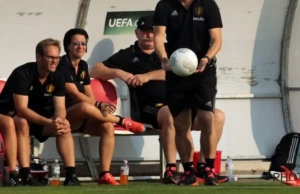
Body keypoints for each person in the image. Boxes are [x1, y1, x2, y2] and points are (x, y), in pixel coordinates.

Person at [90, 16, 226, 185]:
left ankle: (204, 167)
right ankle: (171, 168)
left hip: (180, 102)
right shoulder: (128, 54)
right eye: (144, 31)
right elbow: (95, 70)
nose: (148, 35)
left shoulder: (172, 52)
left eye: (152, 32)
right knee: (171, 114)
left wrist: (148, 76)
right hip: (148, 108)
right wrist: (119, 73)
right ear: (136, 33)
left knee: (217, 116)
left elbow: (184, 70)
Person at [152, 0, 223, 186]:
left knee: (207, 119)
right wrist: (164, 59)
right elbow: (157, 37)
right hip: (177, 72)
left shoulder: (209, 5)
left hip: (203, 70)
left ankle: (209, 169)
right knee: (181, 124)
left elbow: (217, 40)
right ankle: (188, 170)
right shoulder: (165, 5)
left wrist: (206, 58)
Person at [57, 29, 146, 185]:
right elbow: (74, 94)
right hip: (65, 117)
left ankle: (104, 174)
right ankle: (120, 120)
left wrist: (100, 108)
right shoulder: (62, 64)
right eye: (76, 43)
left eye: (83, 44)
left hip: (83, 118)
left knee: (106, 126)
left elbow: (89, 93)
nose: (80, 47)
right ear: (68, 46)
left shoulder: (83, 65)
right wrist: (99, 104)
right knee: (84, 106)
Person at [0, 38, 80, 186]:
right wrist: (49, 122)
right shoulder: (22, 73)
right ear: (39, 57)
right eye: (50, 57)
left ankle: (71, 176)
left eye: (57, 58)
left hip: (37, 118)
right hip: (8, 113)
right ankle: (18, 173)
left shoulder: (58, 75)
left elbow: (60, 108)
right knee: (21, 122)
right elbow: (21, 109)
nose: (55, 61)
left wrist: (58, 121)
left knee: (64, 125)